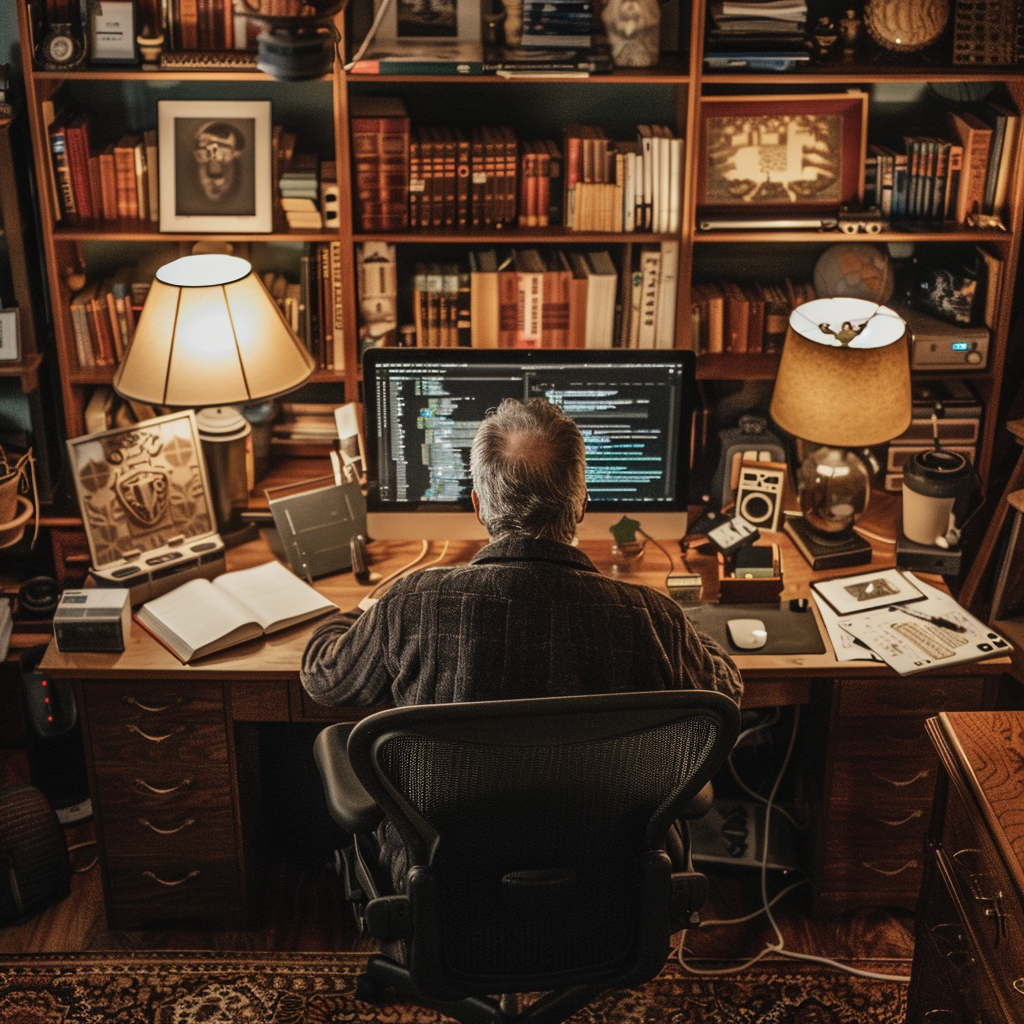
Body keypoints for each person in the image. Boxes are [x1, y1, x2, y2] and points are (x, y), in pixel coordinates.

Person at [301, 397, 742, 886]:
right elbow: (724, 692)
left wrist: (354, 616)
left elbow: (325, 681)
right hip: (608, 886)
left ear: (476, 503)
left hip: (445, 886)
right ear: (580, 503)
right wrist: (682, 623)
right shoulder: (651, 617)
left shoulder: (412, 603)